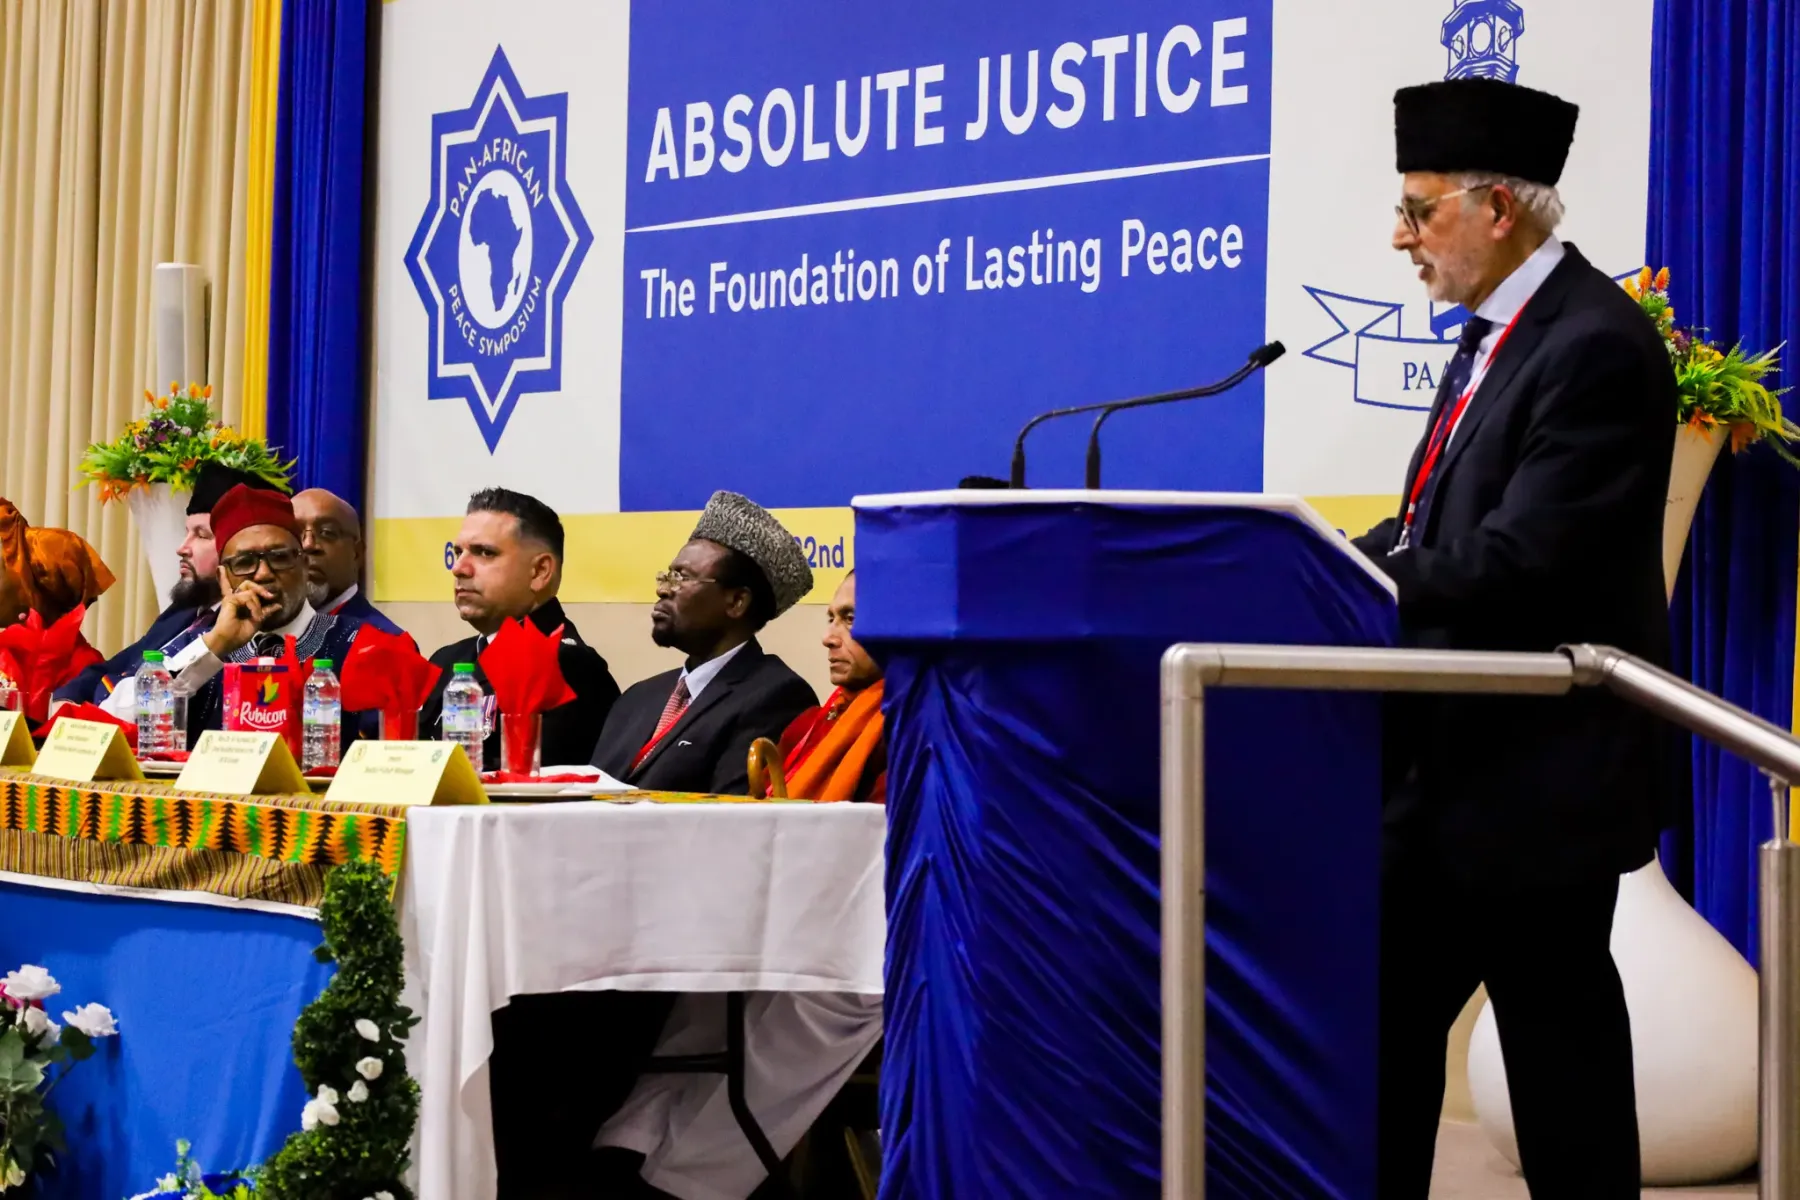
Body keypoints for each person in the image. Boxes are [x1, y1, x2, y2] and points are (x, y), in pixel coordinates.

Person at [1351, 78, 1675, 1197]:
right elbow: (1432, 527)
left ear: (1497, 209)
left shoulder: (1594, 344)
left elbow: (1525, 561)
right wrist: (1326, 558)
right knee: (1376, 1046)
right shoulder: (1494, 337)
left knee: (1561, 1076)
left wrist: (1358, 578)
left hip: (1537, 786)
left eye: (1418, 209)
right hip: (1440, 778)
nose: (1401, 237)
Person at [591, 490, 819, 794]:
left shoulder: (776, 697)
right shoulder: (637, 698)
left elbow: (727, 815)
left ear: (736, 602)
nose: (663, 590)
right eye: (667, 575)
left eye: (682, 578)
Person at [98, 484, 365, 741]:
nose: (263, 574)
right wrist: (216, 645)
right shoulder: (203, 642)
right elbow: (110, 721)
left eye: (279, 557)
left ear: (304, 564)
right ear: (222, 578)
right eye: (245, 562)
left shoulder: (358, 644)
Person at [418, 488, 619, 769]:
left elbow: (532, 785)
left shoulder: (567, 667)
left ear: (539, 572)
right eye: (458, 552)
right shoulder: (446, 660)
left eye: (484, 553)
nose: (459, 568)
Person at [58, 463, 266, 704]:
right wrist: (67, 699)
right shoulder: (185, 611)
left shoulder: (241, 631)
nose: (182, 548)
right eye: (186, 532)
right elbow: (116, 666)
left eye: (201, 535)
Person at [768, 570, 886, 803]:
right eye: (831, 619)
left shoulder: (909, 730)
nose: (828, 638)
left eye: (850, 619)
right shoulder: (807, 724)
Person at [293, 488, 404, 635]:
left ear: (356, 554)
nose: (307, 544)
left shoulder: (385, 641)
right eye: (294, 533)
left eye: (327, 532)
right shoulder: (267, 635)